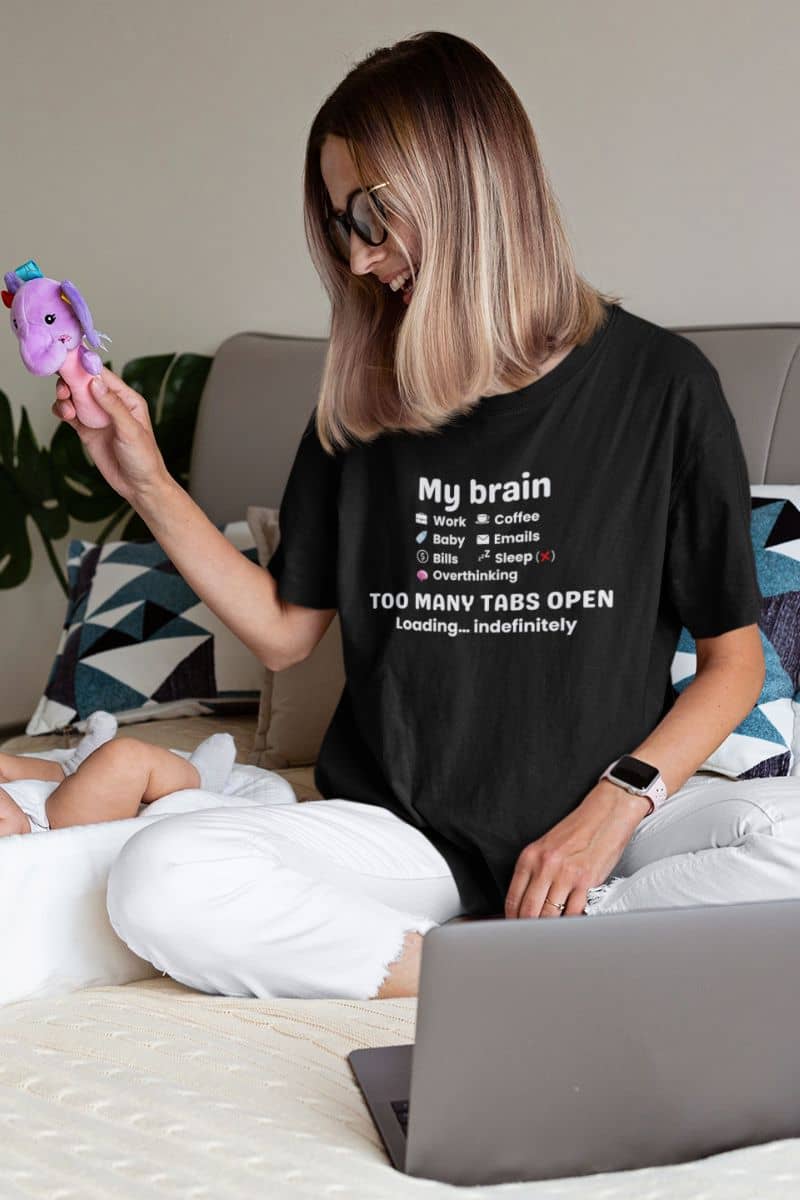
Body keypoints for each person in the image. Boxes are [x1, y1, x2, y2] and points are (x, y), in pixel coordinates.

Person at [51, 31, 800, 1003]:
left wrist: (616, 806)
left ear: (470, 185)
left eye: (374, 217)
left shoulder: (659, 387)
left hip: (611, 832)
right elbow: (286, 637)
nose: (358, 259)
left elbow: (732, 662)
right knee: (162, 879)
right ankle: (517, 968)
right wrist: (145, 478)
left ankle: (571, 934)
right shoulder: (359, 405)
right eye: (338, 226)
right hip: (401, 834)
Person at [0, 711, 238, 835]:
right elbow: (14, 827)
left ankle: (68, 771)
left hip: (33, 799)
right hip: (53, 824)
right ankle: (199, 779)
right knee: (124, 757)